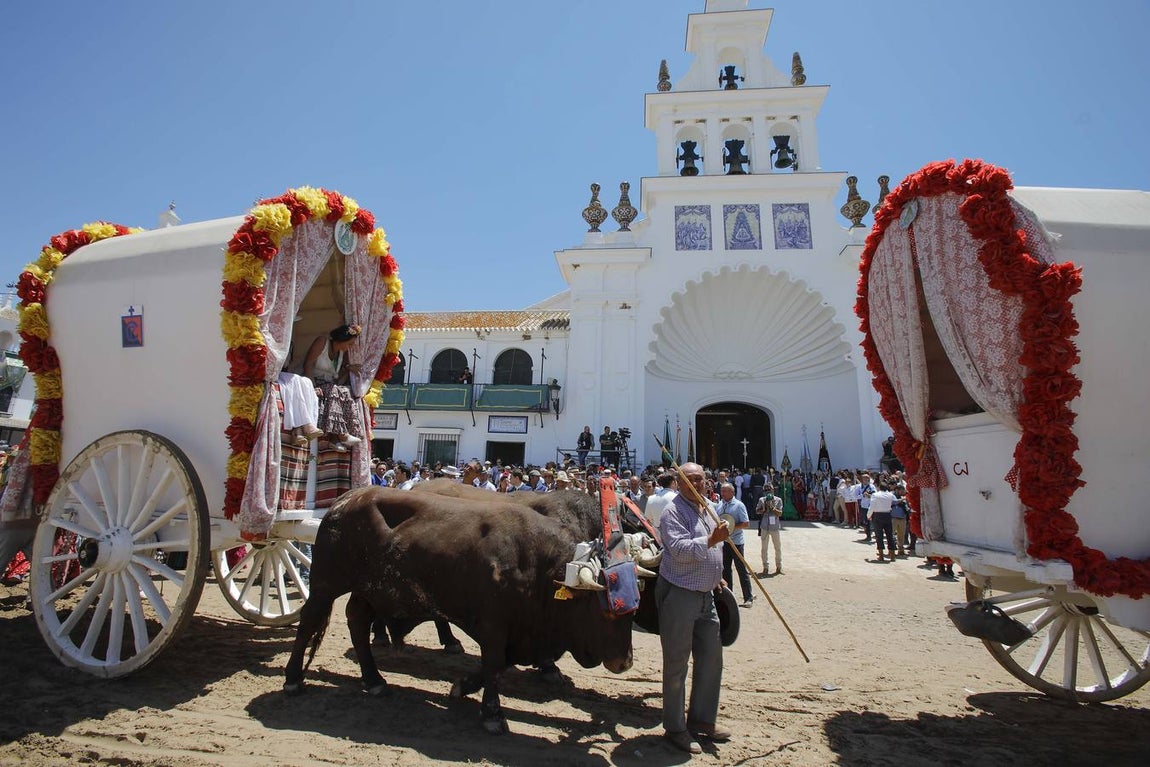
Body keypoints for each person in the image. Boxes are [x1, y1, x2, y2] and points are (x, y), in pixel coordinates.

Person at [657, 462, 732, 754]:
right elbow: (679, 550)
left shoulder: (709, 508)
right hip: (680, 592)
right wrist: (712, 539)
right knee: (677, 663)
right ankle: (675, 727)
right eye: (691, 480)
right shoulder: (672, 512)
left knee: (712, 659)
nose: (698, 484)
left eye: (701, 479)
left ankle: (702, 719)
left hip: (706, 594)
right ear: (679, 482)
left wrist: (717, 574)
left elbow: (717, 549)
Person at [303, 323, 365, 452]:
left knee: (346, 391)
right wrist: (312, 386)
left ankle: (336, 438)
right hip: (312, 381)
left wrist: (348, 369)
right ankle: (342, 436)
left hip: (329, 384)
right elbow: (308, 363)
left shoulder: (340, 355)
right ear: (342, 339)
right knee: (333, 390)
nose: (349, 348)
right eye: (349, 344)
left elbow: (335, 376)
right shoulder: (322, 342)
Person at [716, 483, 753, 607]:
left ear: (732, 492)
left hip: (736, 542)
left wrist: (731, 527)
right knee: (726, 570)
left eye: (725, 491)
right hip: (724, 542)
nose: (723, 493)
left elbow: (746, 523)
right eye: (722, 491)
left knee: (741, 570)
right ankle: (729, 597)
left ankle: (748, 597)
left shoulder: (739, 505)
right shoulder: (719, 505)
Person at [276, 371, 324, 447]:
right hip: (279, 373)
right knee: (295, 380)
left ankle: (298, 432)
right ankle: (305, 426)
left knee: (307, 382)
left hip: (292, 375)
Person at [867, 478, 898, 561]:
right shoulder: (890, 495)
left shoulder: (875, 495)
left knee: (879, 535)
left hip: (878, 515)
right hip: (887, 514)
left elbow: (872, 507)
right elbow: (895, 502)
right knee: (889, 535)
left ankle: (881, 555)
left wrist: (868, 515)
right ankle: (892, 555)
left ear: (879, 488)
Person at [757, 487, 784, 575]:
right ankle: (765, 567)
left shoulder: (778, 500)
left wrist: (773, 508)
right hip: (765, 526)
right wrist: (763, 509)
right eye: (766, 490)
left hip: (774, 526)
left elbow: (780, 513)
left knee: (777, 547)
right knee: (764, 548)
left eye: (770, 490)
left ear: (773, 490)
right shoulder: (761, 500)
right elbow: (757, 511)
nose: (768, 491)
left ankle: (779, 566)